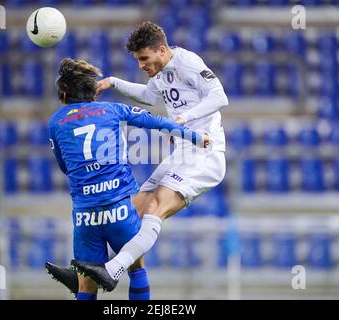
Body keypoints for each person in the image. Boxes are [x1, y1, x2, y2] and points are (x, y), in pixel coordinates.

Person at [72, 21, 228, 292]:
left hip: (205, 154)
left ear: (162, 50)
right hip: (181, 153)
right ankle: (88, 276)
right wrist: (113, 82)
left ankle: (112, 269)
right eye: (138, 60)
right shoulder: (160, 71)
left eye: (144, 59)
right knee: (129, 214)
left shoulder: (187, 62)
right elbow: (148, 96)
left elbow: (219, 96)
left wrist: (183, 119)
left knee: (156, 207)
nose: (142, 65)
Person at [47, 58, 208, 300]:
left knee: (86, 286)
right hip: (119, 209)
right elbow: (156, 122)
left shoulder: (55, 122)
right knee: (136, 266)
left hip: (84, 214)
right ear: (93, 94)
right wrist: (194, 137)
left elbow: (63, 165)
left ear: (63, 95)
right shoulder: (112, 110)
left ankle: (79, 276)